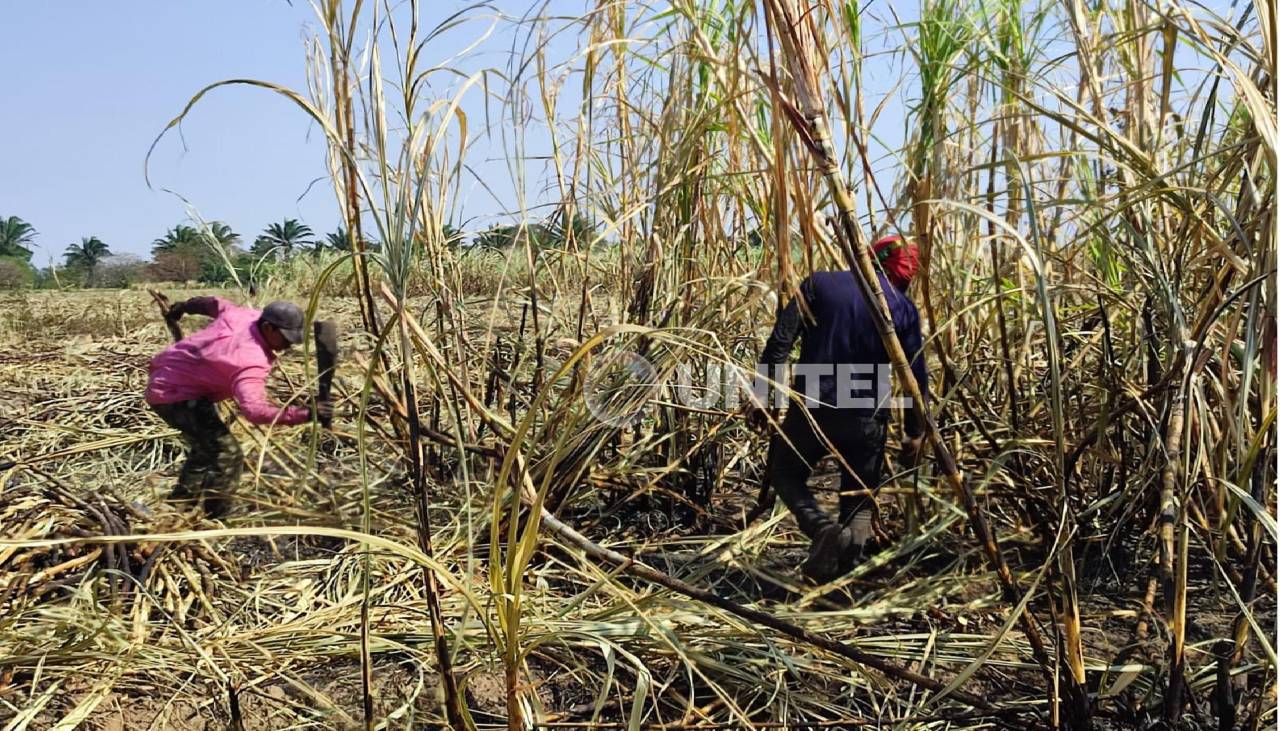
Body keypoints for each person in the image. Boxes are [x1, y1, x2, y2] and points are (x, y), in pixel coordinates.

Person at [753, 235, 928, 582]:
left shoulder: (821, 283)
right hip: (868, 411)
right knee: (860, 498)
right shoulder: (902, 307)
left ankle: (820, 530)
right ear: (903, 271)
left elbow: (779, 344)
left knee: (785, 472)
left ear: (866, 256)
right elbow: (914, 374)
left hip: (814, 404)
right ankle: (839, 582)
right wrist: (915, 431)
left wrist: (765, 395)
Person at [145, 297, 330, 517]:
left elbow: (212, 303)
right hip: (175, 396)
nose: (288, 345)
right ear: (268, 327)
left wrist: (182, 306)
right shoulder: (250, 360)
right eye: (286, 338)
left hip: (167, 376)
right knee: (228, 454)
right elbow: (255, 411)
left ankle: (179, 505)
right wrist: (305, 414)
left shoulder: (243, 315)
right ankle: (215, 517)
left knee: (206, 449)